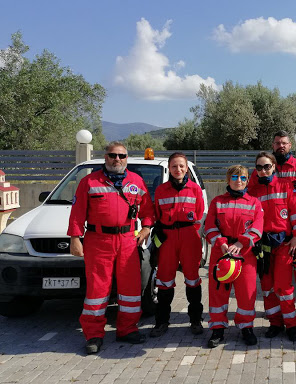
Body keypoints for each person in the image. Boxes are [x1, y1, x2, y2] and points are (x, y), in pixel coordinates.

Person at [68, 141, 154, 354]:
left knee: (131, 289)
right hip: (98, 240)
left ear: (127, 158)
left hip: (127, 240)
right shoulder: (89, 181)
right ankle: (94, 334)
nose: (117, 159)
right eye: (113, 155)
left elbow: (148, 211)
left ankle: (127, 329)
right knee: (97, 290)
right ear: (105, 157)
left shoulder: (136, 181)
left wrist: (146, 229)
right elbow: (77, 213)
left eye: (122, 156)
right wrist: (75, 238)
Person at [248, 131, 296, 320]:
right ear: (272, 146)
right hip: (273, 231)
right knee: (272, 274)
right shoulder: (260, 169)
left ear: (290, 145)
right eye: (277, 143)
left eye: (284, 143)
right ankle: (277, 310)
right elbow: (252, 194)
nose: (280, 146)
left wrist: (295, 200)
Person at [203, 165, 264, 348]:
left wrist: (241, 242)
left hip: (244, 254)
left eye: (243, 178)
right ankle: (218, 328)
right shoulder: (217, 201)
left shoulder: (254, 202)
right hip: (220, 253)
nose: (239, 180)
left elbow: (258, 227)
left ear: (247, 180)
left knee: (246, 293)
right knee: (218, 292)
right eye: (235, 177)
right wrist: (221, 243)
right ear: (228, 180)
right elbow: (209, 226)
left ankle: (246, 327)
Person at [247, 152, 296, 342]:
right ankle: (275, 323)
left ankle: (291, 324)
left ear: (274, 167)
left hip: (284, 245)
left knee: (283, 287)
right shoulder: (252, 191)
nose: (263, 171)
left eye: (267, 167)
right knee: (267, 288)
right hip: (263, 247)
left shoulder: (286, 187)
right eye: (259, 168)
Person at [149, 152, 205, 338]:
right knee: (164, 281)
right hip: (168, 237)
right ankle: (161, 322)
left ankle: (195, 320)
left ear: (186, 168)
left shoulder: (195, 189)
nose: (178, 169)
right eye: (174, 166)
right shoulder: (161, 190)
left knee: (192, 279)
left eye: (181, 166)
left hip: (190, 236)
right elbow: (157, 213)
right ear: (169, 169)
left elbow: (198, 214)